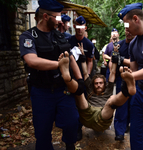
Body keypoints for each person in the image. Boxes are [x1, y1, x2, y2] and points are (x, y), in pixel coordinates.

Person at [19, 0, 83, 149]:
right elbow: (32, 61)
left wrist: (80, 80)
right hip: (41, 91)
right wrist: (60, 65)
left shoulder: (61, 36)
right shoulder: (28, 36)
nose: (60, 21)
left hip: (63, 90)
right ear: (46, 16)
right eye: (57, 17)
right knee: (42, 132)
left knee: (72, 121)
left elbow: (71, 58)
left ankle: (69, 144)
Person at [58, 50, 136, 132]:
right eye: (96, 83)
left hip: (102, 117)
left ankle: (127, 91)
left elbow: (112, 72)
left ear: (104, 84)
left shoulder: (108, 88)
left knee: (111, 101)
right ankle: (67, 78)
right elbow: (85, 73)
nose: (98, 85)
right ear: (93, 84)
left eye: (101, 83)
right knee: (80, 92)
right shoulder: (90, 88)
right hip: (87, 114)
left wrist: (114, 58)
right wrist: (83, 58)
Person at [118, 3, 143, 150]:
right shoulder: (133, 43)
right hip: (139, 93)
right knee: (136, 132)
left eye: (126, 25)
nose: (126, 29)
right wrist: (127, 74)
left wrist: (131, 75)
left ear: (135, 19)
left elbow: (134, 74)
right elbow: (134, 71)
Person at [114, 28, 135, 141]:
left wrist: (121, 59)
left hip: (135, 79)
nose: (129, 32)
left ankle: (127, 125)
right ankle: (119, 132)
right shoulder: (119, 45)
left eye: (130, 29)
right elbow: (113, 61)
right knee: (121, 105)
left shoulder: (137, 43)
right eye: (127, 30)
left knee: (132, 105)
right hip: (120, 78)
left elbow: (134, 63)